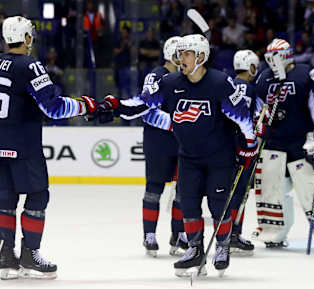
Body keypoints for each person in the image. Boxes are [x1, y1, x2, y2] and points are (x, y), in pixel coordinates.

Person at [95, 34, 257, 277]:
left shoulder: (221, 83)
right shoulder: (171, 83)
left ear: (201, 57)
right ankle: (194, 248)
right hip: (188, 157)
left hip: (218, 158)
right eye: (180, 54)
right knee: (189, 204)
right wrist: (113, 106)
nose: (181, 58)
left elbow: (243, 117)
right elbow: (143, 104)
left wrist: (250, 146)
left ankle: (222, 247)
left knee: (218, 204)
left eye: (187, 54)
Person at [0, 16, 97, 280]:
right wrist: (85, 105)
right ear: (27, 38)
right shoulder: (31, 65)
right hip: (23, 144)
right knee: (38, 196)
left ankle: (6, 259)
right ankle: (30, 256)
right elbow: (53, 107)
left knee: (5, 196)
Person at [252, 38, 314, 249]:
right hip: (273, 143)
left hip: (302, 142)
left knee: (311, 189)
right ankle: (274, 233)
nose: (272, 61)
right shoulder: (264, 78)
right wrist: (258, 130)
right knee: (273, 191)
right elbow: (258, 110)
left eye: (275, 56)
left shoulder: (305, 73)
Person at [116, 36, 188, 257]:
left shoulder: (187, 78)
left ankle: (179, 234)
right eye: (183, 54)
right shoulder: (155, 76)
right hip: (158, 143)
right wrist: (177, 123)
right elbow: (148, 111)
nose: (186, 58)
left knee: (182, 193)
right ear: (173, 55)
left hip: (182, 143)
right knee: (153, 190)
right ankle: (149, 235)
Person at [228, 49, 262, 256]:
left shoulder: (227, 84)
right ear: (251, 67)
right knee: (239, 193)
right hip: (242, 149)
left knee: (228, 193)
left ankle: (226, 233)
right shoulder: (250, 89)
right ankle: (233, 234)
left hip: (224, 147)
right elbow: (250, 121)